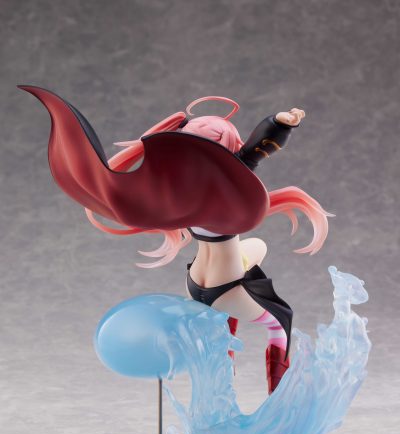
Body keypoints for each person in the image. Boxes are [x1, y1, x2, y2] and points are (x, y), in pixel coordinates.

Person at [18, 87, 332, 393]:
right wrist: (280, 123)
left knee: (257, 247)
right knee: (280, 322)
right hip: (225, 290)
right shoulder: (225, 183)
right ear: (227, 149)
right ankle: (278, 396)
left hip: (196, 283)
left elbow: (253, 151)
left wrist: (278, 123)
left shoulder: (176, 192)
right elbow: (255, 151)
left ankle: (225, 358)